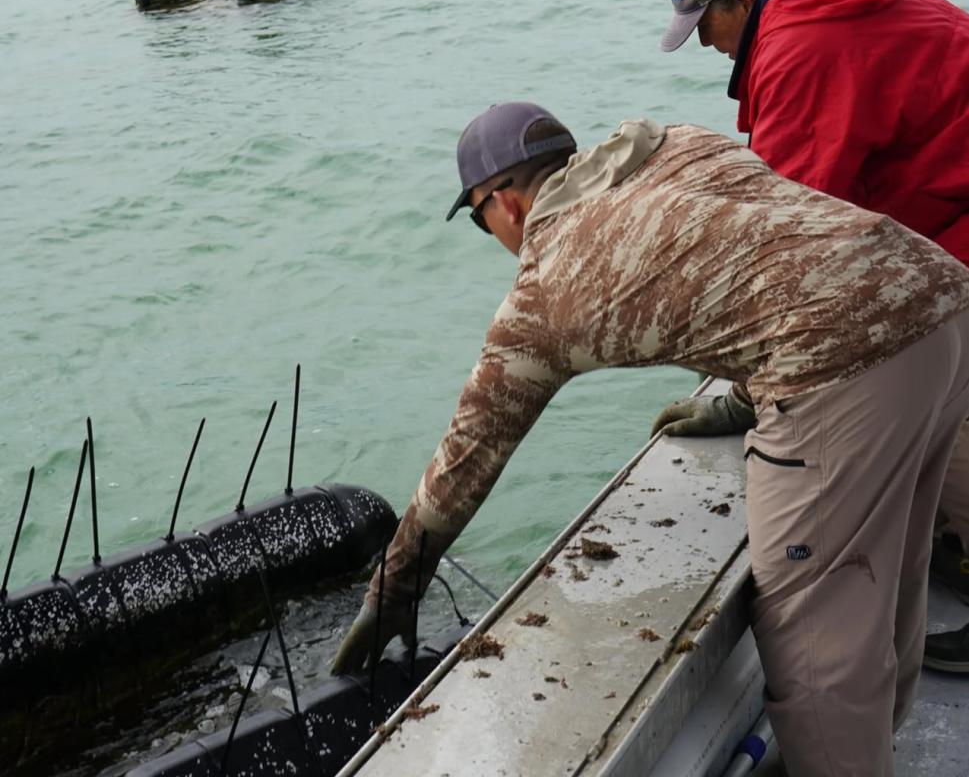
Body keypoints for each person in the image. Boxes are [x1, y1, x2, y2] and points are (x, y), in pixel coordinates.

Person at [332, 100, 969, 776]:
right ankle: (877, 742)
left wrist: (394, 590)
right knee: (894, 564)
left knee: (813, 629)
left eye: (477, 217)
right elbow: (771, 245)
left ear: (506, 204)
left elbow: (464, 461)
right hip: (940, 296)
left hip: (845, 364)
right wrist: (742, 399)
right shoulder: (671, 143)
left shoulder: (544, 293)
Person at [656, 0, 969, 672]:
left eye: (705, 27)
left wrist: (745, 392)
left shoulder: (800, 48)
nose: (706, 45)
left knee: (947, 414)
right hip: (946, 205)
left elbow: (793, 244)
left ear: (740, 1)